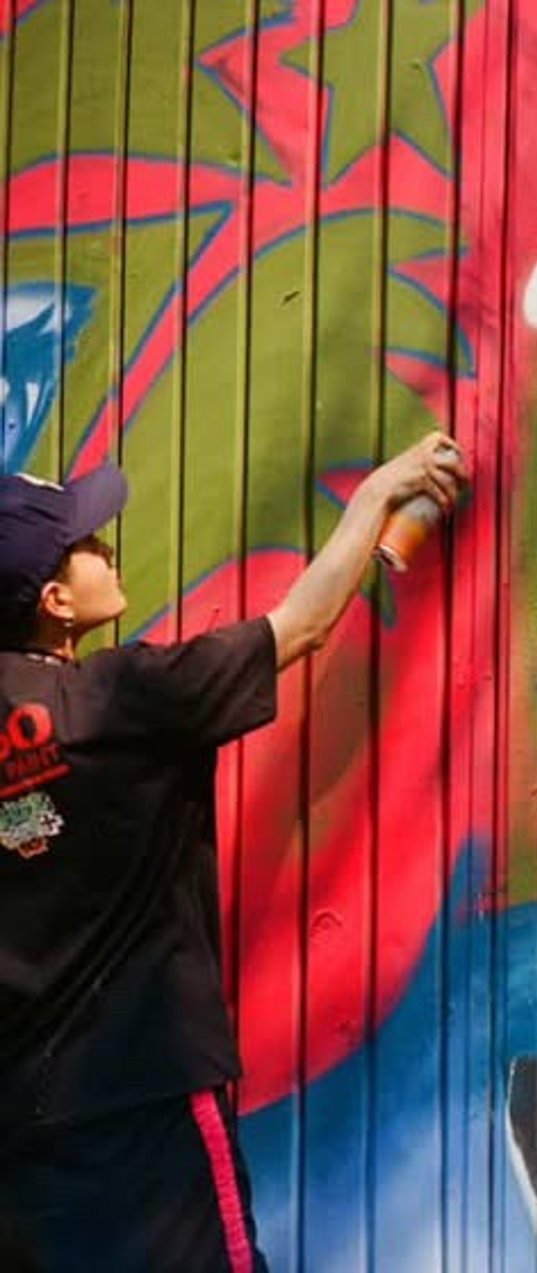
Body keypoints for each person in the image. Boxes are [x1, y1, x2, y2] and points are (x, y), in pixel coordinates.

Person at [0, 433, 469, 1272]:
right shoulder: (117, 697)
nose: (108, 546)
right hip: (150, 1106)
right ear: (54, 602)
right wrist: (378, 495)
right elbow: (303, 625)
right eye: (86, 543)